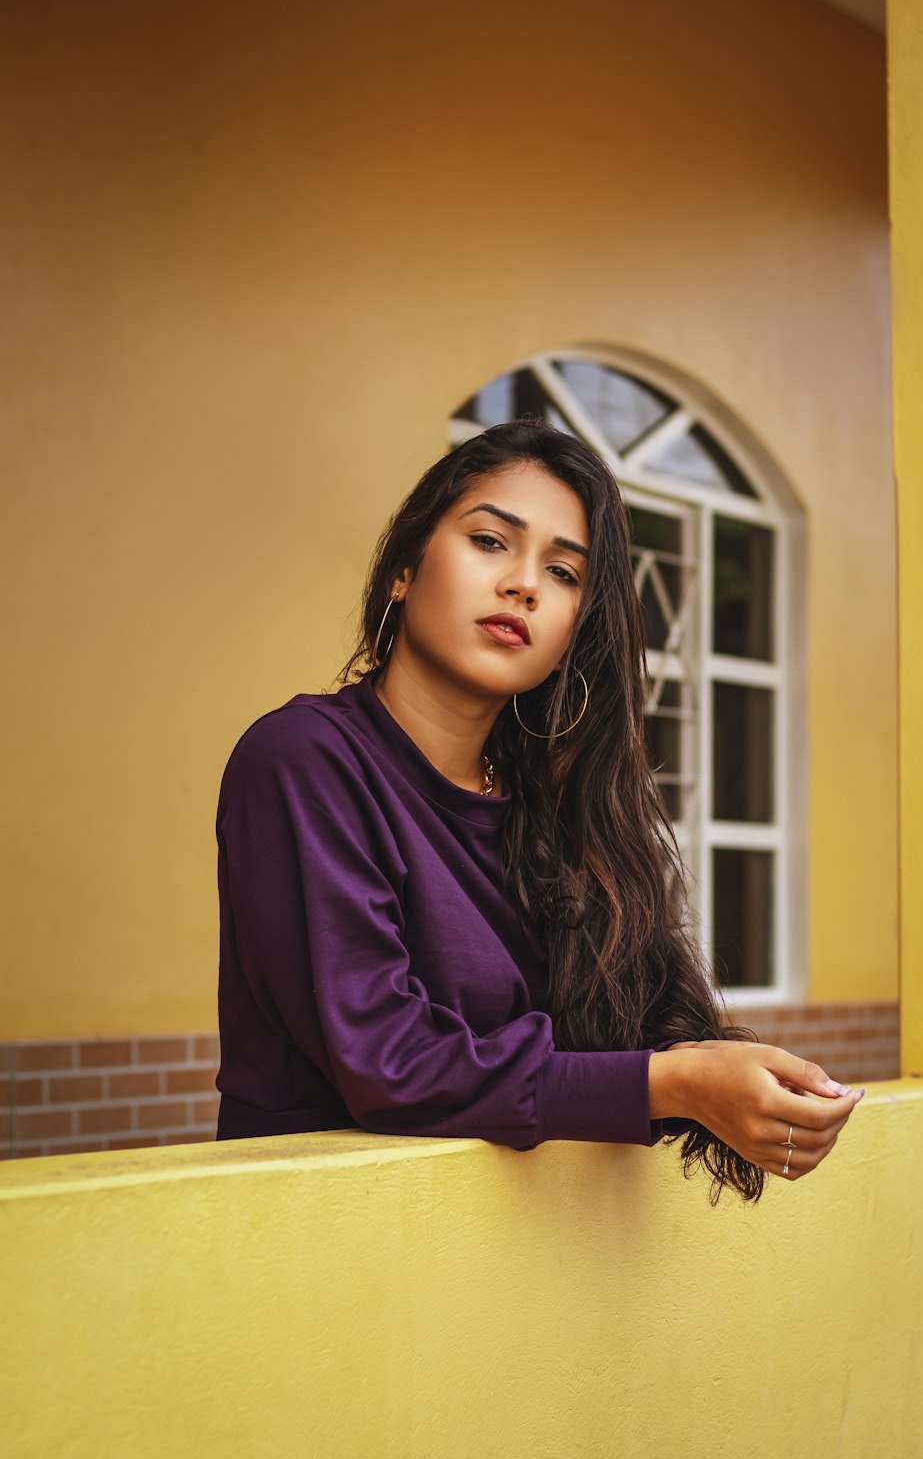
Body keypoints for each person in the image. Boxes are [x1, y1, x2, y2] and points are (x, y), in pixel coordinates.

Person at [215, 419, 863, 1201]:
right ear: (403, 570)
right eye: (491, 542)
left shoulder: (556, 812)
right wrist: (674, 1084)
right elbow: (388, 1064)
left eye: (563, 572)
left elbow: (631, 1034)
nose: (523, 583)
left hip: (517, 1272)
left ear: (571, 632)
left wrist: (750, 1084)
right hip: (326, 1249)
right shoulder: (305, 761)